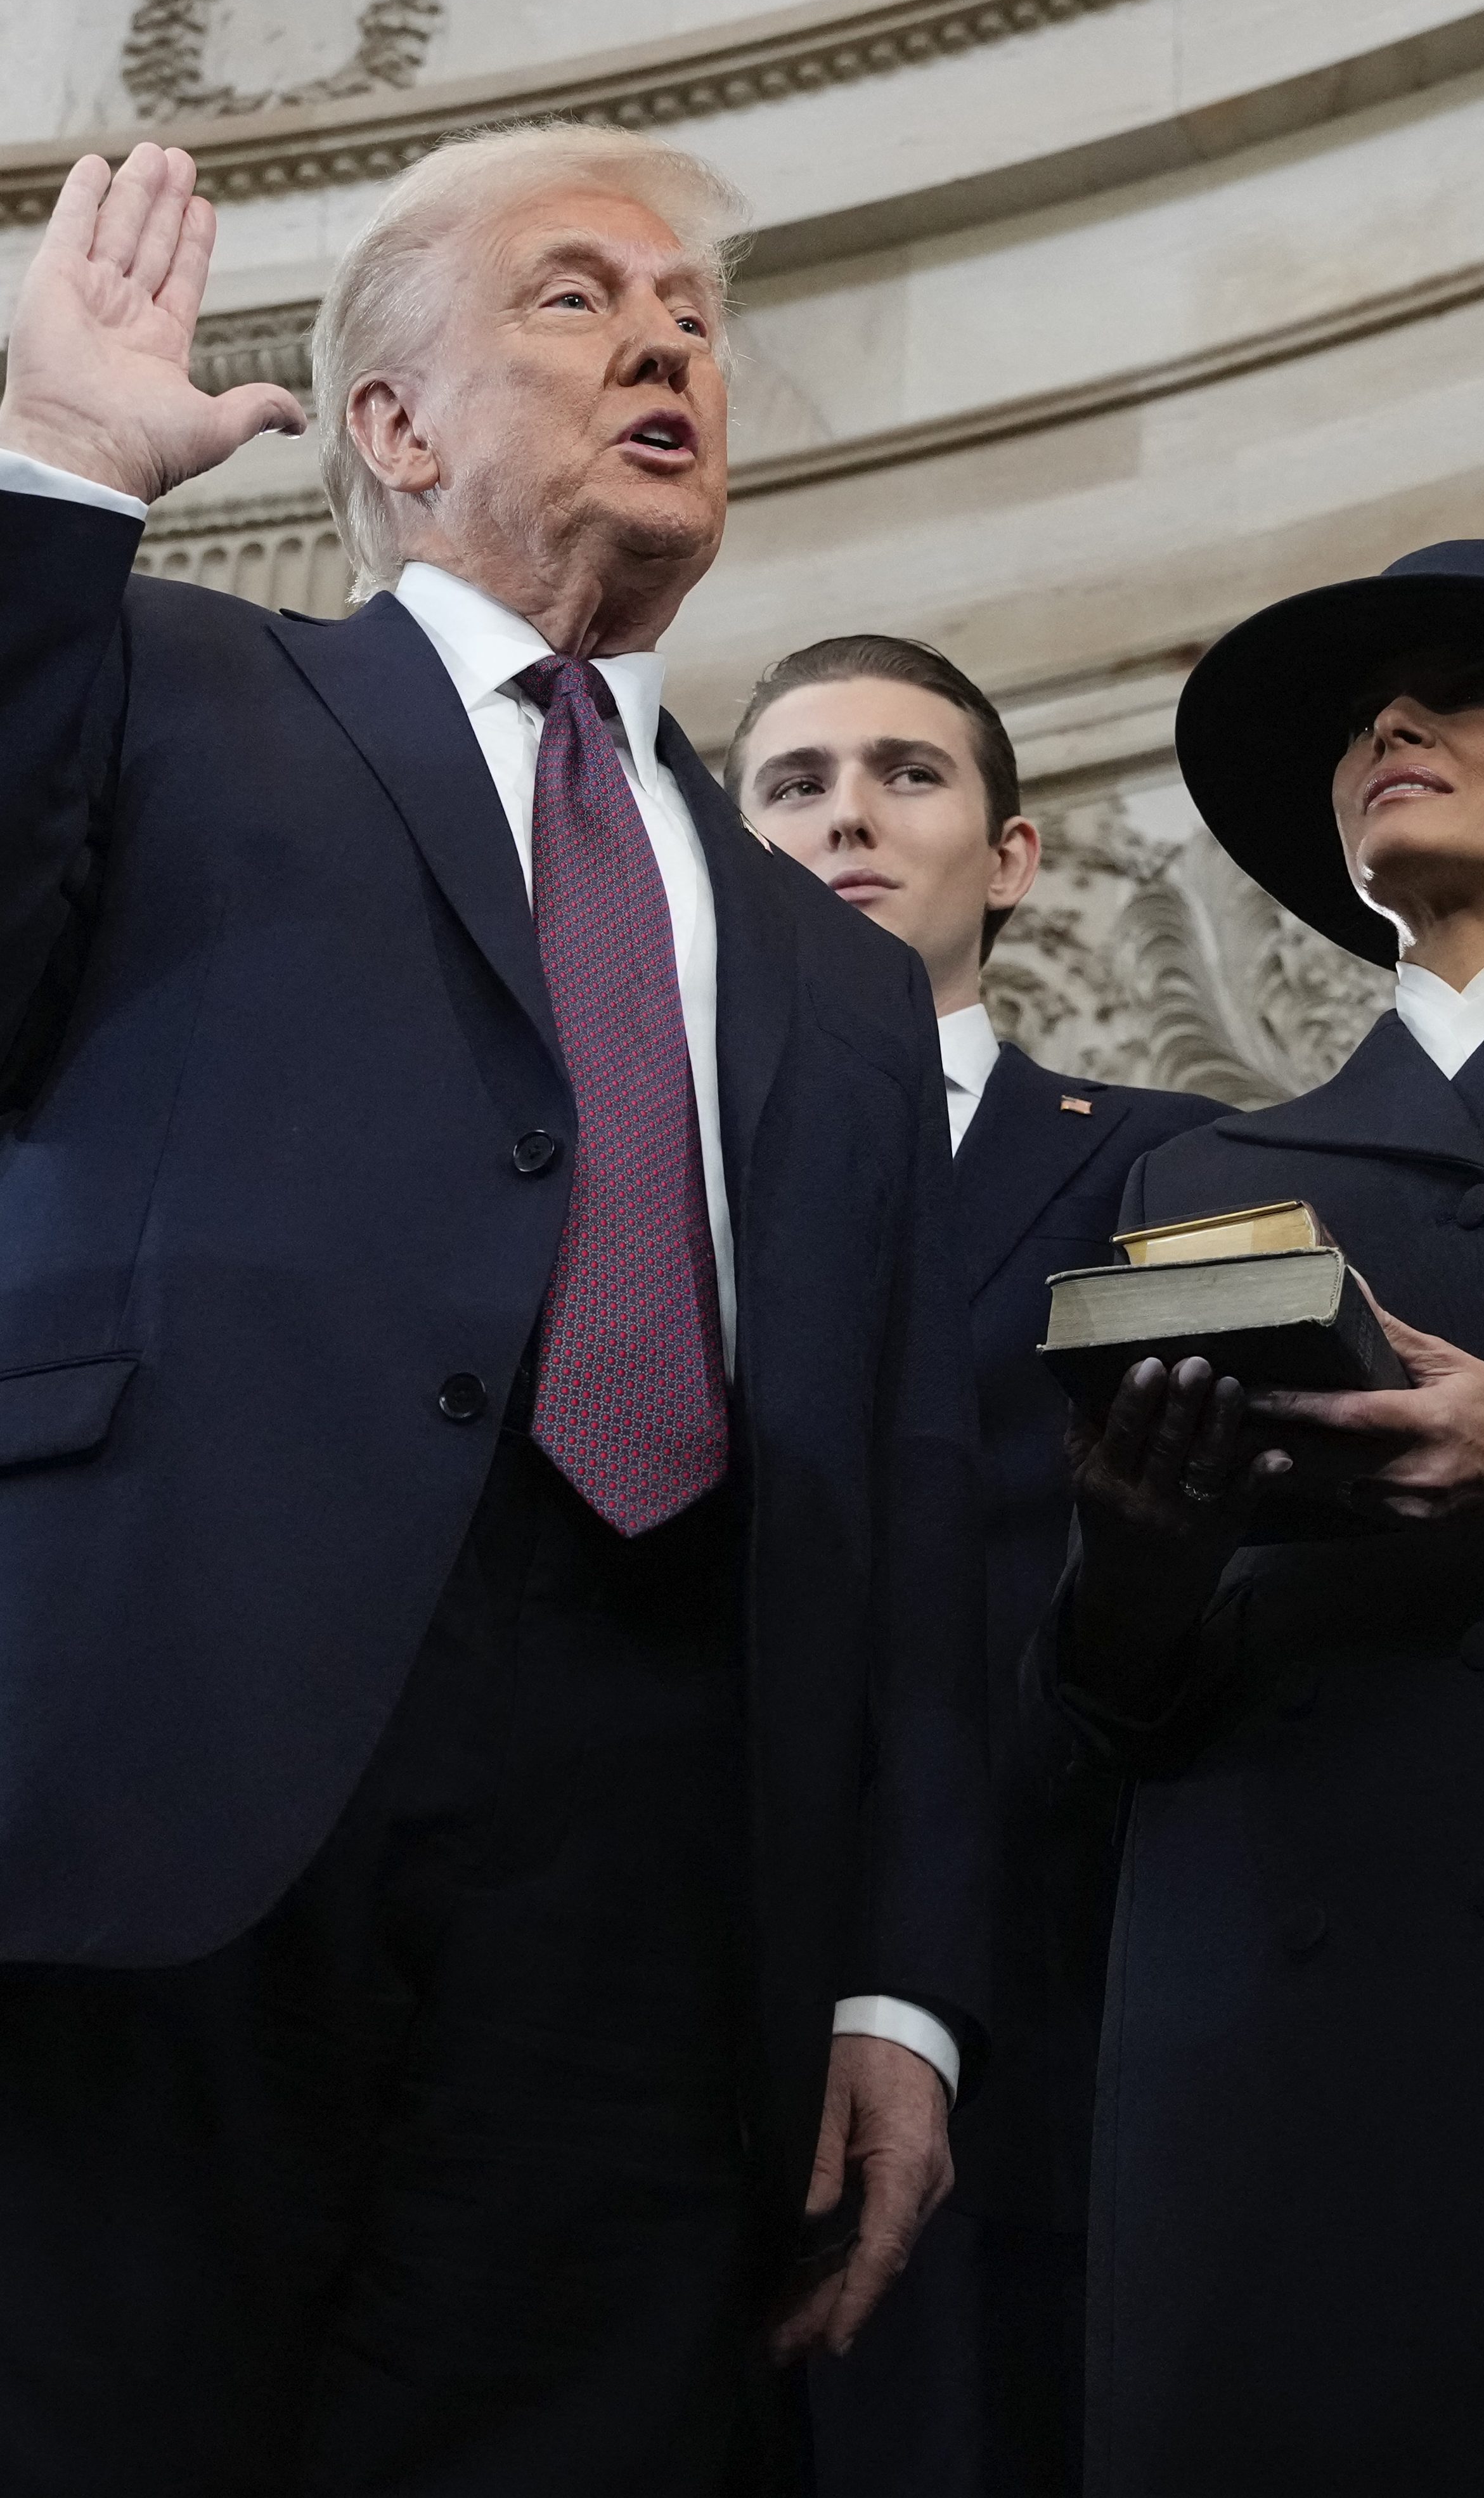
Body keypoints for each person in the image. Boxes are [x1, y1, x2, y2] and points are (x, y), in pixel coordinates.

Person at [0, 126, 990, 2494]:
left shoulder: (847, 978)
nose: (667, 342)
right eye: (577, 297)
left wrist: (896, 1978)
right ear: (395, 424)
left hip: (662, 1854)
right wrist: (51, 479)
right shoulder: (162, 681)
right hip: (173, 1776)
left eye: (693, 317)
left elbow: (905, 1495)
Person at [1049, 537, 1484, 2497]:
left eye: (1463, 687)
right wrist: (1139, 1558)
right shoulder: (1202, 1174)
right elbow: (1098, 1697)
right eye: (1364, 714)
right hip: (1281, 2005)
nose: (1393, 723)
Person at [727, 634, 1225, 2497]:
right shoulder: (624, 1179)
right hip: (682, 1956)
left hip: (1052, 1957)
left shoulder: (1167, 1163)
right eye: (794, 785)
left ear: (1013, 858)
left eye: (907, 773)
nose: (848, 815)